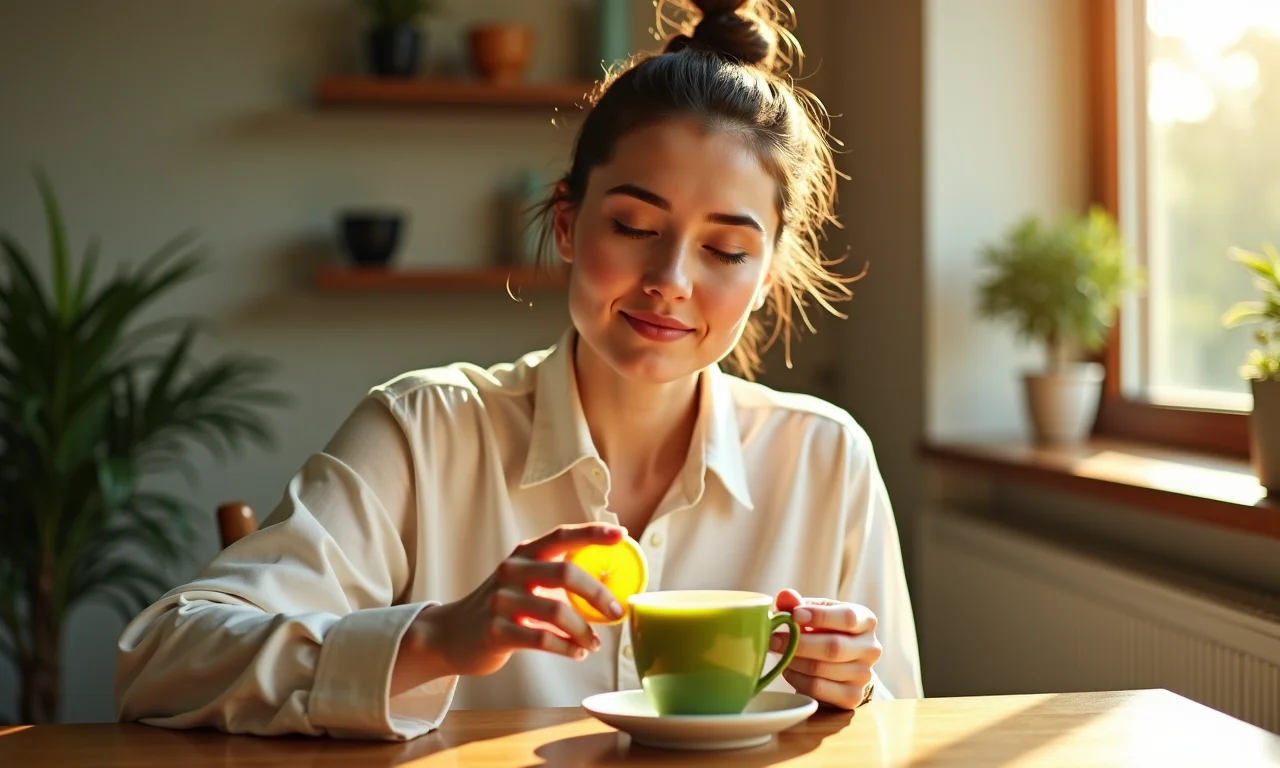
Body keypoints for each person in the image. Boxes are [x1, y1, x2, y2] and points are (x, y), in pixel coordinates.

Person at [114, 0, 923, 741]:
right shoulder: (422, 431)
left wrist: (853, 691)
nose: (671, 279)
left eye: (725, 249)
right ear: (568, 224)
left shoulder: (826, 459)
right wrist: (436, 638)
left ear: (770, 273)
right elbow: (159, 659)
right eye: (634, 225)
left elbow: (904, 732)